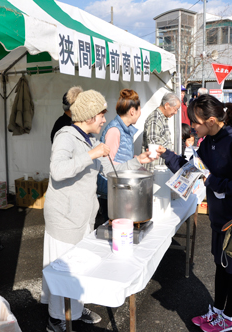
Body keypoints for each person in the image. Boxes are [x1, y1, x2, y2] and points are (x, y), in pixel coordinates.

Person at [42, 90, 157, 332]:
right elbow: (58, 170)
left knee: (79, 266)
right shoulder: (66, 136)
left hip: (83, 214)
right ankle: (56, 317)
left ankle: (76, 308)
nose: (105, 120)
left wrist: (138, 160)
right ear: (89, 117)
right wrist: (90, 154)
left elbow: (110, 169)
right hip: (64, 216)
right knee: (63, 269)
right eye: (101, 115)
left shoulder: (92, 140)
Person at [157, 94, 232, 332]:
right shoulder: (207, 142)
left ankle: (228, 319)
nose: (192, 125)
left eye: (196, 121)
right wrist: (167, 154)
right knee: (220, 266)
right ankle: (218, 311)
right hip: (218, 218)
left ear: (211, 120)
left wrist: (216, 183)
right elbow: (193, 170)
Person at [97, 89, 142, 220]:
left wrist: (135, 160)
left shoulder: (124, 129)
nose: (140, 114)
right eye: (139, 110)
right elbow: (107, 165)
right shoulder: (115, 130)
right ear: (132, 111)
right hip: (110, 191)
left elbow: (120, 157)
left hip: (118, 189)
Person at [142, 92, 180, 172]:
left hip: (160, 168)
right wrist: (168, 153)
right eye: (175, 109)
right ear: (166, 105)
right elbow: (153, 144)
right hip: (154, 168)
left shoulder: (162, 118)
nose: (176, 112)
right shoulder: (155, 119)